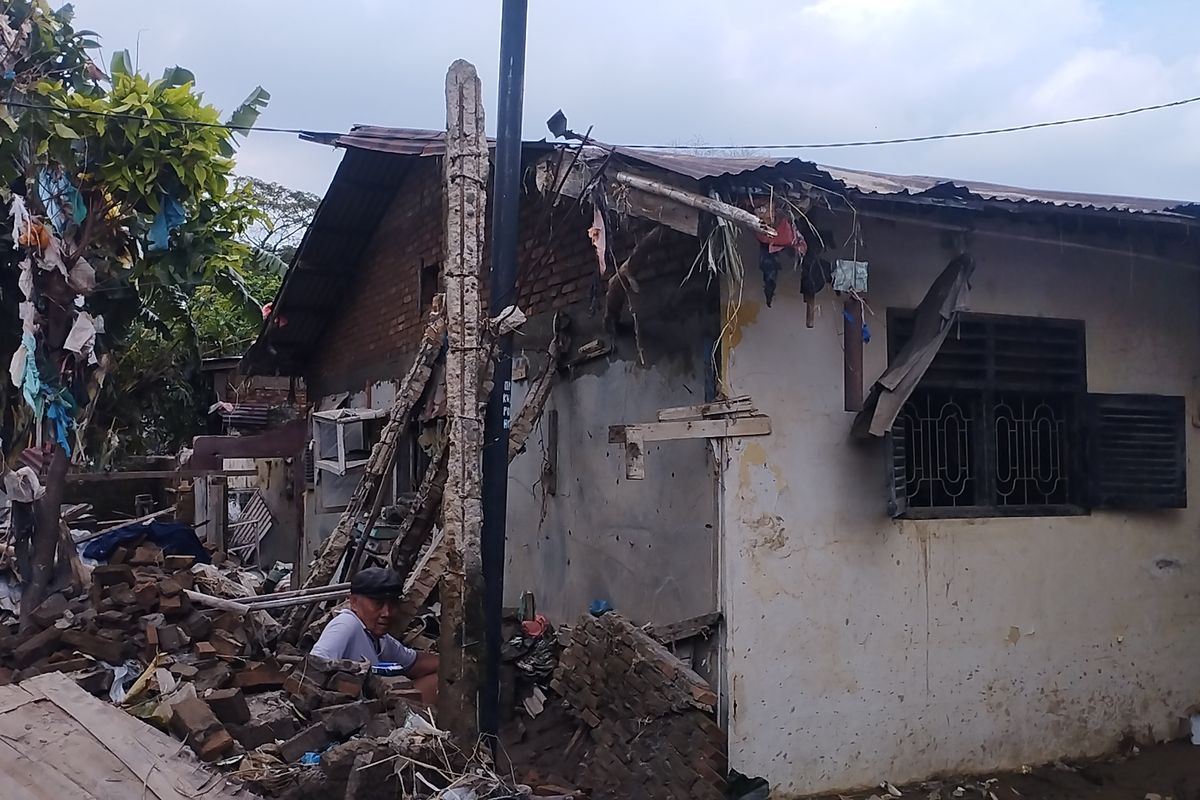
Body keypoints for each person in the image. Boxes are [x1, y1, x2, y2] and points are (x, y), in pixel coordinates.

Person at [310, 566, 439, 705]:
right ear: (354, 602)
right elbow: (314, 669)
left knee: (444, 680)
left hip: (377, 709)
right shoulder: (346, 624)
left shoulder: (380, 639)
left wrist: (458, 664)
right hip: (356, 716)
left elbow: (415, 663)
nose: (387, 613)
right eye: (378, 604)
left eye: (392, 604)